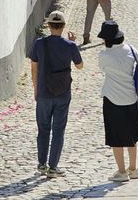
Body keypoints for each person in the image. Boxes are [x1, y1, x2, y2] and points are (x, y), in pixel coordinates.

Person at [28, 10, 84, 178]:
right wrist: (72, 43)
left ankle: (41, 164)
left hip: (44, 92)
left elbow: (34, 67)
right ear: (64, 26)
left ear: (49, 25)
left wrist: (36, 88)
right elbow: (80, 66)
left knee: (43, 129)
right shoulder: (70, 46)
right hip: (63, 93)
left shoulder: (39, 44)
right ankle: (53, 167)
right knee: (58, 130)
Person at [96, 21, 138, 182]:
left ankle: (121, 171)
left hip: (112, 99)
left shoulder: (104, 56)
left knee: (116, 137)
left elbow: (103, 69)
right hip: (131, 97)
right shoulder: (130, 50)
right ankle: (133, 169)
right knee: (132, 136)